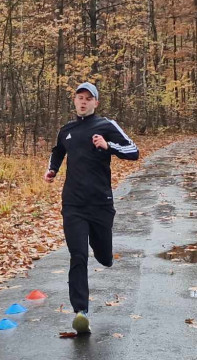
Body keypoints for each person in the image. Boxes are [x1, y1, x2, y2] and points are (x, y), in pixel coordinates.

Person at [44, 82, 139, 335]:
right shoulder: (67, 130)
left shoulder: (106, 126)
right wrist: (52, 169)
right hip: (73, 204)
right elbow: (58, 151)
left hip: (100, 204)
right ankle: (81, 312)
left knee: (104, 256)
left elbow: (134, 151)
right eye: (79, 98)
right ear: (74, 101)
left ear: (96, 102)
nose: (83, 102)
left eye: (88, 98)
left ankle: (103, 253)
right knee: (78, 256)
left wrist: (109, 147)